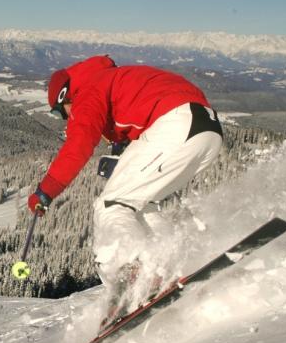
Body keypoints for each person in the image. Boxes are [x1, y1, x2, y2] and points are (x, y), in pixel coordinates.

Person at [28, 55, 223, 297]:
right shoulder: (111, 80)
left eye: (61, 112)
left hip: (177, 124)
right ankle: (172, 263)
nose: (66, 117)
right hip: (207, 132)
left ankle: (136, 275)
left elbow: (79, 144)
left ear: (65, 96)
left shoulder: (88, 90)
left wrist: (46, 190)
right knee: (141, 204)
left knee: (112, 205)